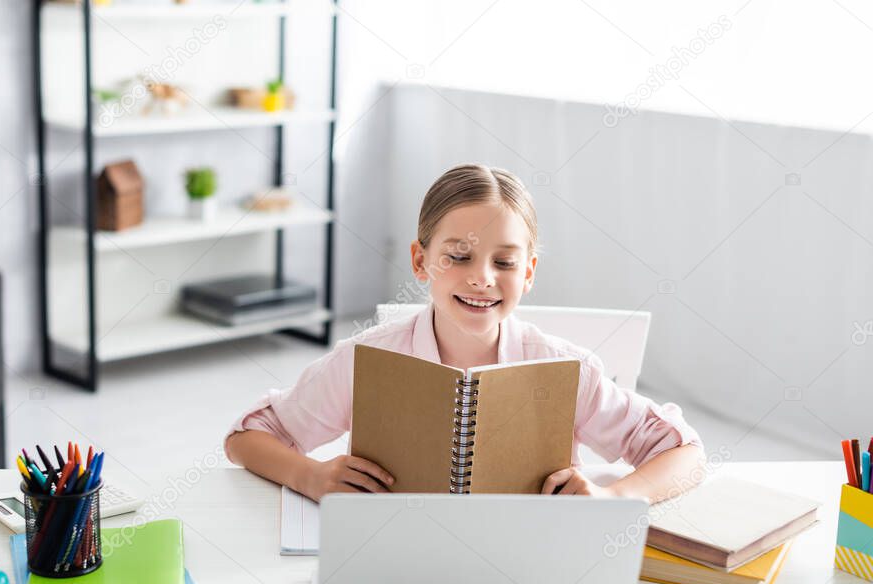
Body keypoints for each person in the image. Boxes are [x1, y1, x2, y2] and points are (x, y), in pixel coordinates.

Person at [224, 163, 705, 503]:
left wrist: (615, 495)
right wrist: (308, 475)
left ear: (529, 271)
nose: (482, 278)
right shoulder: (365, 359)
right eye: (458, 256)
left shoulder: (566, 370)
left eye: (505, 262)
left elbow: (685, 453)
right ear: (421, 261)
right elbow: (247, 437)